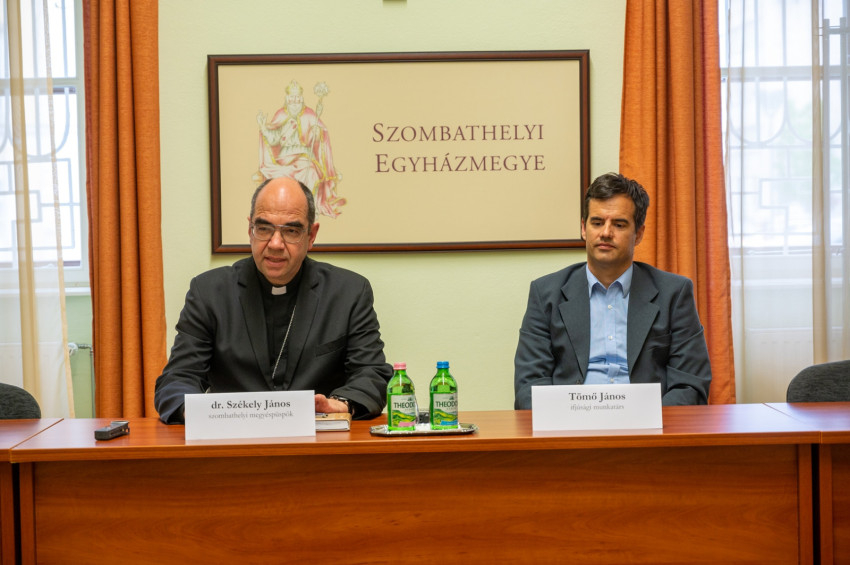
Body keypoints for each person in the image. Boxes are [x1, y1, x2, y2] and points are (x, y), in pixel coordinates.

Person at [154, 177, 392, 423]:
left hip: (319, 437)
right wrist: (197, 412)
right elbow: (178, 378)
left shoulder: (348, 292)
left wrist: (341, 404)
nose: (275, 244)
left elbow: (371, 373)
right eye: (264, 229)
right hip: (233, 438)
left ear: (311, 235)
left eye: (291, 231)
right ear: (250, 230)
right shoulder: (209, 293)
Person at [513, 172, 711, 409]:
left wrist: (652, 422)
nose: (606, 233)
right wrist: (562, 422)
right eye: (597, 223)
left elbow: (690, 384)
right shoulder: (546, 293)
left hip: (648, 423)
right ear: (584, 228)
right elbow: (530, 384)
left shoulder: (674, 293)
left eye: (619, 224)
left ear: (639, 234)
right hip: (571, 422)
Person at [256, 80, 346, 218]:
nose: (295, 100)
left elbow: (320, 134)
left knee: (312, 172)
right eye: (292, 97)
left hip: (304, 154)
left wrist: (317, 132)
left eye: (297, 97)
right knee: (288, 173)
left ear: (301, 98)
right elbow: (273, 139)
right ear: (287, 98)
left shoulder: (309, 114)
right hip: (285, 156)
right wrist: (263, 127)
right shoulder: (281, 115)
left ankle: (309, 209)